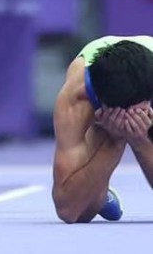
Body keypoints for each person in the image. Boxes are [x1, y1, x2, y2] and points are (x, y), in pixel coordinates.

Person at [52, 36, 153, 223]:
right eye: (121, 113)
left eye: (137, 111)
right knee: (83, 212)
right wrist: (112, 142)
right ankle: (100, 194)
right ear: (101, 100)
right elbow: (67, 210)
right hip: (102, 107)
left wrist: (142, 142)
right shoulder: (76, 100)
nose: (128, 119)